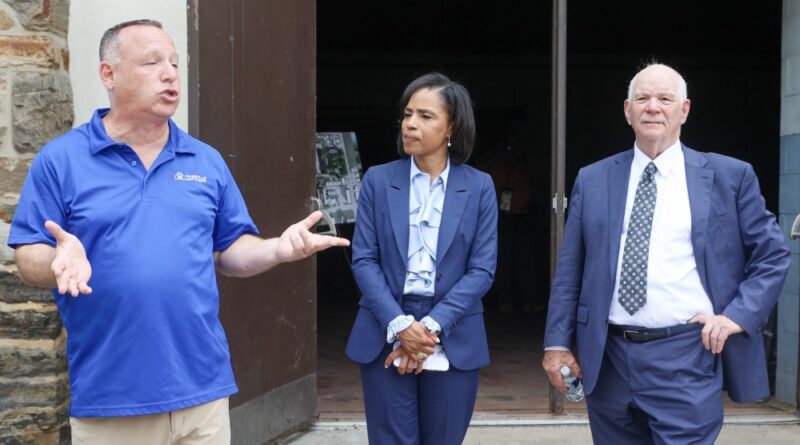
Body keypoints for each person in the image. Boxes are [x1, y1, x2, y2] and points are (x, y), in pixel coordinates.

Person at [8, 19, 349, 445]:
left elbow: (230, 251)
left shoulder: (204, 161)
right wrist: (57, 260)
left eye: (173, 62)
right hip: (113, 400)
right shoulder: (61, 160)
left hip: (203, 394)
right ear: (109, 74)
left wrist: (278, 249)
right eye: (152, 62)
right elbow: (27, 256)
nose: (170, 73)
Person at [542, 63, 790, 444]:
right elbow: (570, 269)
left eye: (665, 99)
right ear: (628, 111)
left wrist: (735, 317)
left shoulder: (729, 177)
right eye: (642, 98)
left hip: (686, 356)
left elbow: (772, 255)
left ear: (684, 110)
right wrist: (557, 344)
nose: (652, 107)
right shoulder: (593, 179)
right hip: (608, 360)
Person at [345, 72, 498, 444]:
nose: (410, 124)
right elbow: (364, 260)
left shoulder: (479, 186)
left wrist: (428, 330)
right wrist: (400, 325)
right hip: (385, 323)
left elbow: (482, 270)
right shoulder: (378, 180)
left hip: (453, 328)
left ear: (452, 127)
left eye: (425, 116)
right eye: (407, 114)